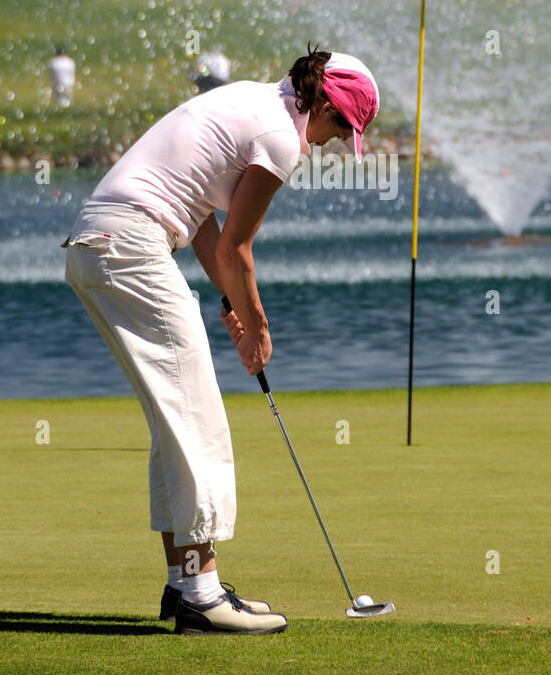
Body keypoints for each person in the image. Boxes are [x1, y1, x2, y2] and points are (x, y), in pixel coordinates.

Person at [62, 47, 379, 636]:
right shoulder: (280, 138)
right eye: (341, 128)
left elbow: (207, 226)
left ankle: (185, 583)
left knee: (174, 420)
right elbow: (238, 249)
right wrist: (256, 332)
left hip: (103, 244)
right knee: (197, 416)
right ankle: (204, 597)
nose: (336, 143)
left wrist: (233, 303)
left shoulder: (250, 101)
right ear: (326, 102)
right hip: (131, 244)